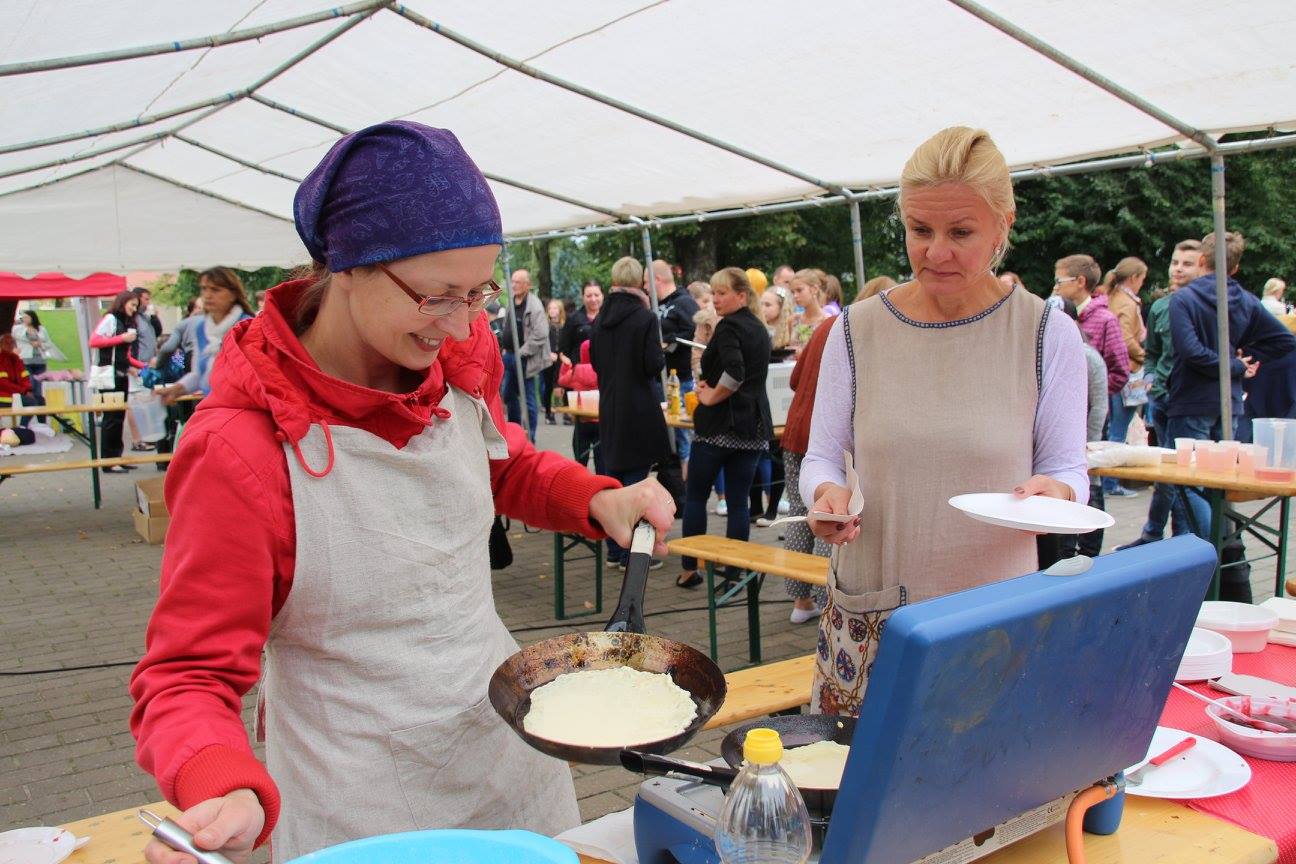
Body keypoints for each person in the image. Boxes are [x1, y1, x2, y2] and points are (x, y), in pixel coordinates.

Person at [129, 122, 673, 864]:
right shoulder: (242, 448)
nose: (462, 324)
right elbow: (186, 676)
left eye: (478, 292)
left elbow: (500, 461)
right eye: (438, 297)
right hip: (356, 802)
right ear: (346, 266)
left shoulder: (449, 362)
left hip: (502, 760)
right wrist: (219, 778)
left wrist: (591, 496)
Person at [803, 127, 1087, 717]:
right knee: (857, 799)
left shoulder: (1044, 334)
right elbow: (822, 458)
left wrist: (1055, 492)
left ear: (1003, 225)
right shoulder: (855, 330)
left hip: (995, 621)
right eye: (920, 230)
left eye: (960, 232)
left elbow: (1067, 470)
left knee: (981, 800)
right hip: (870, 623)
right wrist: (825, 494)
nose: (935, 252)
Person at [1165, 231, 1296, 542]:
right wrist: (1242, 361)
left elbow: (1191, 351)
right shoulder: (1246, 300)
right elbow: (1284, 341)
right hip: (1229, 402)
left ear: (1201, 260)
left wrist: (1239, 364)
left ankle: (1213, 551)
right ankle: (1223, 552)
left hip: (1192, 401)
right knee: (1215, 485)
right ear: (1235, 268)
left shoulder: (1183, 299)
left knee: (1190, 487)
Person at [677, 267, 773, 590]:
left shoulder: (730, 327)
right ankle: (734, 573)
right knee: (738, 502)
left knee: (695, 497)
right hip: (752, 427)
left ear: (741, 296)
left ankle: (690, 568)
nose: (716, 299)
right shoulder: (759, 327)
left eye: (722, 293)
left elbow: (734, 373)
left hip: (721, 426)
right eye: (714, 293)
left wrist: (709, 397)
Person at [590, 256, 672, 569]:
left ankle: (614, 549)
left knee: (613, 479)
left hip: (610, 404)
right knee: (636, 484)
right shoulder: (645, 317)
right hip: (638, 407)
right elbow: (653, 364)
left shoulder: (599, 319)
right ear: (639, 281)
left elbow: (596, 364)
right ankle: (632, 553)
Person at [1052, 253, 1131, 497]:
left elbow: (1120, 370)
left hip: (1090, 420)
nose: (1055, 286)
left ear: (1080, 281)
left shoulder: (1104, 318)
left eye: (1059, 280)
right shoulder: (1053, 315)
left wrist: (1091, 394)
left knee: (1088, 483)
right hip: (1059, 416)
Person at [779, 299, 836, 622]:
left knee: (801, 514)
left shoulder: (824, 327)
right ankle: (825, 598)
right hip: (826, 438)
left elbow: (794, 378)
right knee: (830, 513)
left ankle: (801, 601)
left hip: (797, 430)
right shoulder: (857, 329)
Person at [154, 268, 254, 403]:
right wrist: (176, 390)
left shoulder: (248, 325)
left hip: (244, 406)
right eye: (204, 289)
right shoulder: (201, 328)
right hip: (212, 403)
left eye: (215, 289)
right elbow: (198, 374)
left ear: (233, 294)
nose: (207, 295)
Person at [1099, 256, 1148, 495]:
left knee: (1113, 428)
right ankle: (1111, 484)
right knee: (1119, 429)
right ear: (1134, 278)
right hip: (1129, 372)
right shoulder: (1127, 303)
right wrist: (1144, 354)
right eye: (1142, 279)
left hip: (1116, 371)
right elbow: (1126, 338)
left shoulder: (1111, 297)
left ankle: (1109, 483)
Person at [89, 291, 147, 471]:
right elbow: (94, 341)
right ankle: (108, 460)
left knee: (118, 417)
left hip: (121, 375)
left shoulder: (125, 323)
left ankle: (116, 456)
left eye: (136, 306)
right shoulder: (111, 319)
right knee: (111, 418)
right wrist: (121, 338)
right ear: (123, 303)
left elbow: (126, 356)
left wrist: (143, 366)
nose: (134, 308)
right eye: (132, 304)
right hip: (109, 376)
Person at [651, 259, 700, 463]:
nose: (645, 287)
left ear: (657, 279)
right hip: (661, 379)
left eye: (647, 282)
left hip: (681, 379)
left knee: (684, 435)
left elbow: (696, 332)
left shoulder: (684, 302)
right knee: (668, 434)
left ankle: (687, 481)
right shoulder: (655, 305)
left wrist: (671, 341)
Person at [499, 269, 550, 440]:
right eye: (512, 282)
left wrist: (523, 352)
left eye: (518, 282)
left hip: (525, 358)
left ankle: (530, 438)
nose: (513, 285)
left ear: (527, 285)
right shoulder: (511, 302)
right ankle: (516, 433)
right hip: (510, 355)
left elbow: (541, 333)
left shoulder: (534, 305)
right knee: (508, 394)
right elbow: (507, 324)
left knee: (528, 399)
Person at [557, 338, 602, 474]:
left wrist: (566, 366)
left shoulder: (576, 371)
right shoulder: (602, 370)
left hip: (581, 420)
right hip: (600, 421)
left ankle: (582, 482)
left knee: (580, 458)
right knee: (601, 460)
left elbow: (562, 381)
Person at [11, 309, 58, 426]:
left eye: (27, 317)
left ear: (33, 318)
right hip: (25, 362)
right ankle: (24, 424)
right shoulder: (18, 329)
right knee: (29, 388)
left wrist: (40, 344)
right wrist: (14, 350)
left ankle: (41, 423)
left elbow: (49, 343)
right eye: (23, 317)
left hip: (40, 362)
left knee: (37, 391)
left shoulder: (41, 329)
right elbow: (9, 339)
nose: (25, 319)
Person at [559, 281, 602, 365]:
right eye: (589, 296)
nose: (593, 299)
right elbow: (564, 349)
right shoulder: (573, 319)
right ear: (582, 297)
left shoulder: (609, 318)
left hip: (604, 371)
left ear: (602, 295)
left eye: (596, 295)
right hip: (579, 370)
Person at [788, 269, 829, 355]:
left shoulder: (827, 321)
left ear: (814, 289)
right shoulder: (793, 320)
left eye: (799, 290)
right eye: (793, 292)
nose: (795, 295)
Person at [543, 298, 565, 425]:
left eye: (555, 308)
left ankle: (566, 413)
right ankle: (548, 413)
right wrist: (548, 353)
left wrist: (562, 354)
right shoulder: (545, 325)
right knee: (548, 386)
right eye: (550, 308)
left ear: (560, 310)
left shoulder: (564, 325)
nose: (552, 311)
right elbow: (542, 341)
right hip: (548, 359)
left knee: (564, 385)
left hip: (561, 358)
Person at [0, 333, 32, 412]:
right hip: (4, 396)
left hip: (19, 393)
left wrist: (27, 390)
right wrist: (22, 390)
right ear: (1, 345)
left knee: (38, 401)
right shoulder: (1, 360)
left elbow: (25, 377)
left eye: (12, 343)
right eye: (6, 343)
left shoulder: (17, 359)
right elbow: (3, 383)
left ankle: (24, 425)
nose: (10, 345)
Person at [760, 286, 793, 351]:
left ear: (781, 307)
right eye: (761, 304)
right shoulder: (758, 327)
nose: (762, 309)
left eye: (768, 305)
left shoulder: (790, 327)